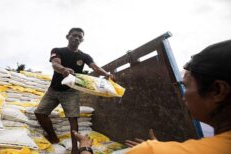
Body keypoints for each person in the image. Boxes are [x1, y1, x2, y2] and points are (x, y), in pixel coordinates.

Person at [73, 40, 231, 154]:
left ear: (217, 90)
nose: (184, 96)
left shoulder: (149, 151)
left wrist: (85, 146)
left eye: (186, 86)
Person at [34, 27, 114, 154]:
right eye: (74, 35)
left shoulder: (84, 56)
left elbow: (95, 67)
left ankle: (75, 150)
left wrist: (106, 74)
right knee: (40, 113)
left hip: (71, 91)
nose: (77, 38)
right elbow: (55, 64)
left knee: (73, 119)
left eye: (79, 37)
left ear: (82, 40)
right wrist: (63, 69)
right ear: (68, 36)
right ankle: (53, 137)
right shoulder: (57, 50)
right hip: (53, 89)